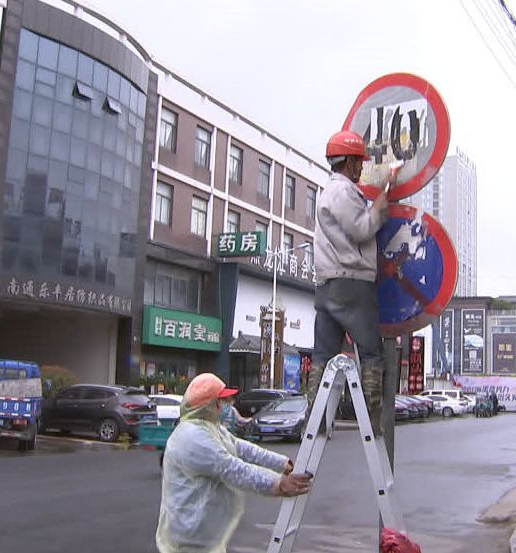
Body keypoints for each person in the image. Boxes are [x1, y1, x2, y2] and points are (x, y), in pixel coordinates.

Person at [156, 373, 311, 553]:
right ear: (209, 405)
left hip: (202, 535)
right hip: (188, 537)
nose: (227, 404)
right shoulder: (192, 437)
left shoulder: (210, 427)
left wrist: (282, 463)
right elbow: (233, 469)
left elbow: (241, 447)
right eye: (222, 400)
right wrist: (278, 484)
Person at [307, 130, 397, 436]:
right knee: (371, 353)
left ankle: (315, 420)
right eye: (359, 161)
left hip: (327, 284)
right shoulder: (343, 193)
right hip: (353, 283)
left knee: (323, 355)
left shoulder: (326, 192)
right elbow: (361, 229)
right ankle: (372, 421)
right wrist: (381, 205)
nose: (361, 169)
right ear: (350, 163)